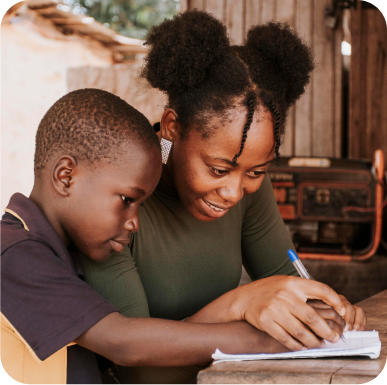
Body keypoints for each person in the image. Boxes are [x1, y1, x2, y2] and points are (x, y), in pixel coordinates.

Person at [79, 11, 366, 385]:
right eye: (217, 169)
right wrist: (240, 304)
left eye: (256, 171)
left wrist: (318, 311)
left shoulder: (247, 185)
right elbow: (141, 371)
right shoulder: (116, 202)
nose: (234, 192)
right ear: (171, 128)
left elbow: (285, 281)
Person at [0, 89, 325, 385]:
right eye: (128, 200)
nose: (135, 223)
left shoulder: (59, 255)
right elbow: (124, 342)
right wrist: (263, 330)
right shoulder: (14, 255)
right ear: (65, 176)